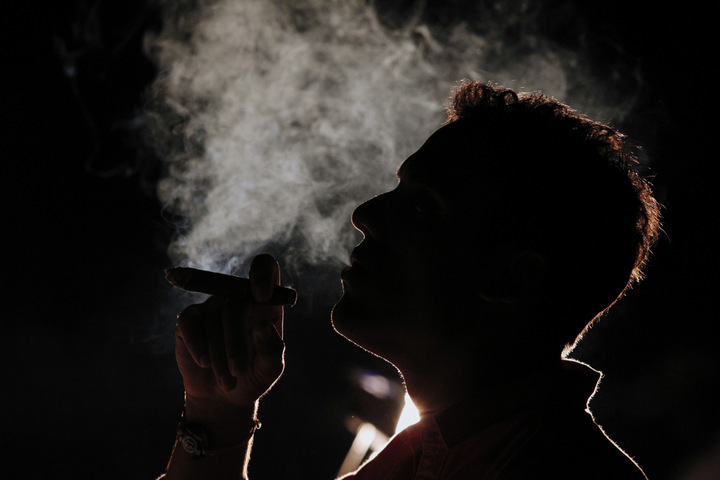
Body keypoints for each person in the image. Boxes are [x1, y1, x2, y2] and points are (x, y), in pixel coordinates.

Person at [158, 82, 661, 479]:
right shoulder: (421, 458)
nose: (365, 214)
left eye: (422, 207)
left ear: (511, 277)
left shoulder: (564, 471)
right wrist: (217, 410)